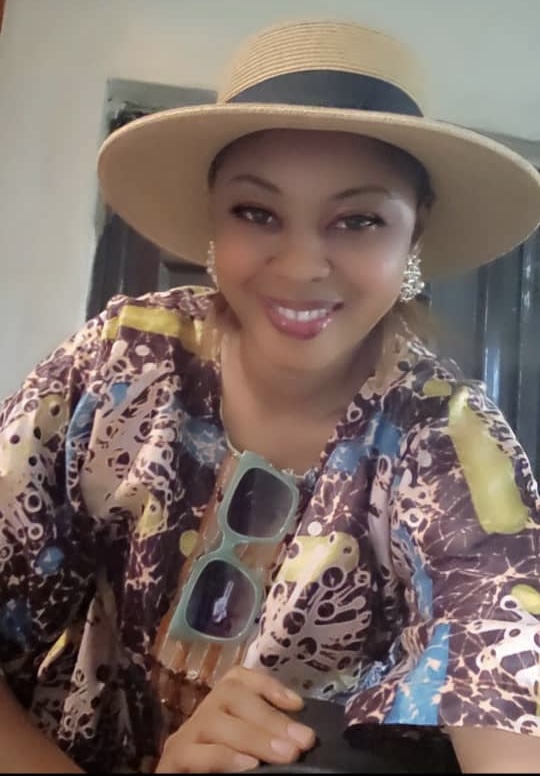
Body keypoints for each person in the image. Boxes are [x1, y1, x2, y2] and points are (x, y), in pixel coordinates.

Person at [0, 17, 539, 775]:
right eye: (256, 213)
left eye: (358, 220)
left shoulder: (448, 442)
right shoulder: (120, 363)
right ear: (212, 220)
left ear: (414, 238)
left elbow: (511, 687)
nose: (300, 266)